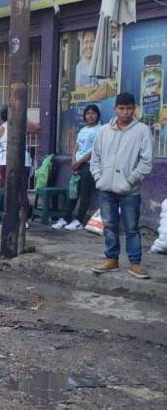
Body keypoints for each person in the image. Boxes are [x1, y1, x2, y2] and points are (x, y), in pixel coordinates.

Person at [90, 92, 153, 279]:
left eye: (129, 108)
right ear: (115, 109)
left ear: (134, 109)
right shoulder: (104, 131)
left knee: (131, 228)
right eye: (121, 108)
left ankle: (135, 263)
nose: (125, 112)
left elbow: (146, 162)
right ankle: (111, 260)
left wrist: (130, 180)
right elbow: (95, 158)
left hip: (130, 191)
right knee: (109, 226)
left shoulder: (142, 130)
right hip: (106, 189)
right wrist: (99, 178)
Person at [53, 104, 102, 231]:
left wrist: (79, 162)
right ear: (84, 116)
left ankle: (79, 221)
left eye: (93, 113)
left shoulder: (100, 130)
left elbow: (94, 151)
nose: (91, 116)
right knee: (73, 192)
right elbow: (76, 147)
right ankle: (65, 218)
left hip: (89, 165)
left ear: (98, 115)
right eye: (88, 113)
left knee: (84, 194)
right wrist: (73, 160)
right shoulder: (83, 130)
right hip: (77, 164)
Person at [0, 104, 41, 222]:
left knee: (9, 191)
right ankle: (24, 220)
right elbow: (37, 129)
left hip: (5, 162)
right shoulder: (22, 124)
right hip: (23, 161)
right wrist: (23, 118)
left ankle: (10, 218)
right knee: (22, 191)